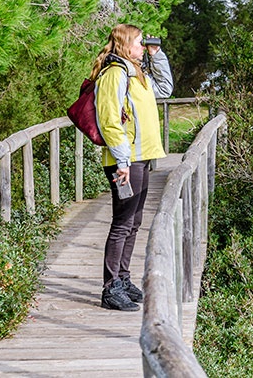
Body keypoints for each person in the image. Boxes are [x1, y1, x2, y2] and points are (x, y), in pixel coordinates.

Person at [91, 23, 173, 311]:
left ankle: (123, 278)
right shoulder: (114, 74)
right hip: (124, 162)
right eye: (139, 42)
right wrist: (122, 161)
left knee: (134, 222)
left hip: (141, 158)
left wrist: (157, 54)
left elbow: (165, 88)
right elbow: (109, 119)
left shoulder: (136, 72)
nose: (142, 46)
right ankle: (110, 287)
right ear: (125, 45)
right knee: (122, 222)